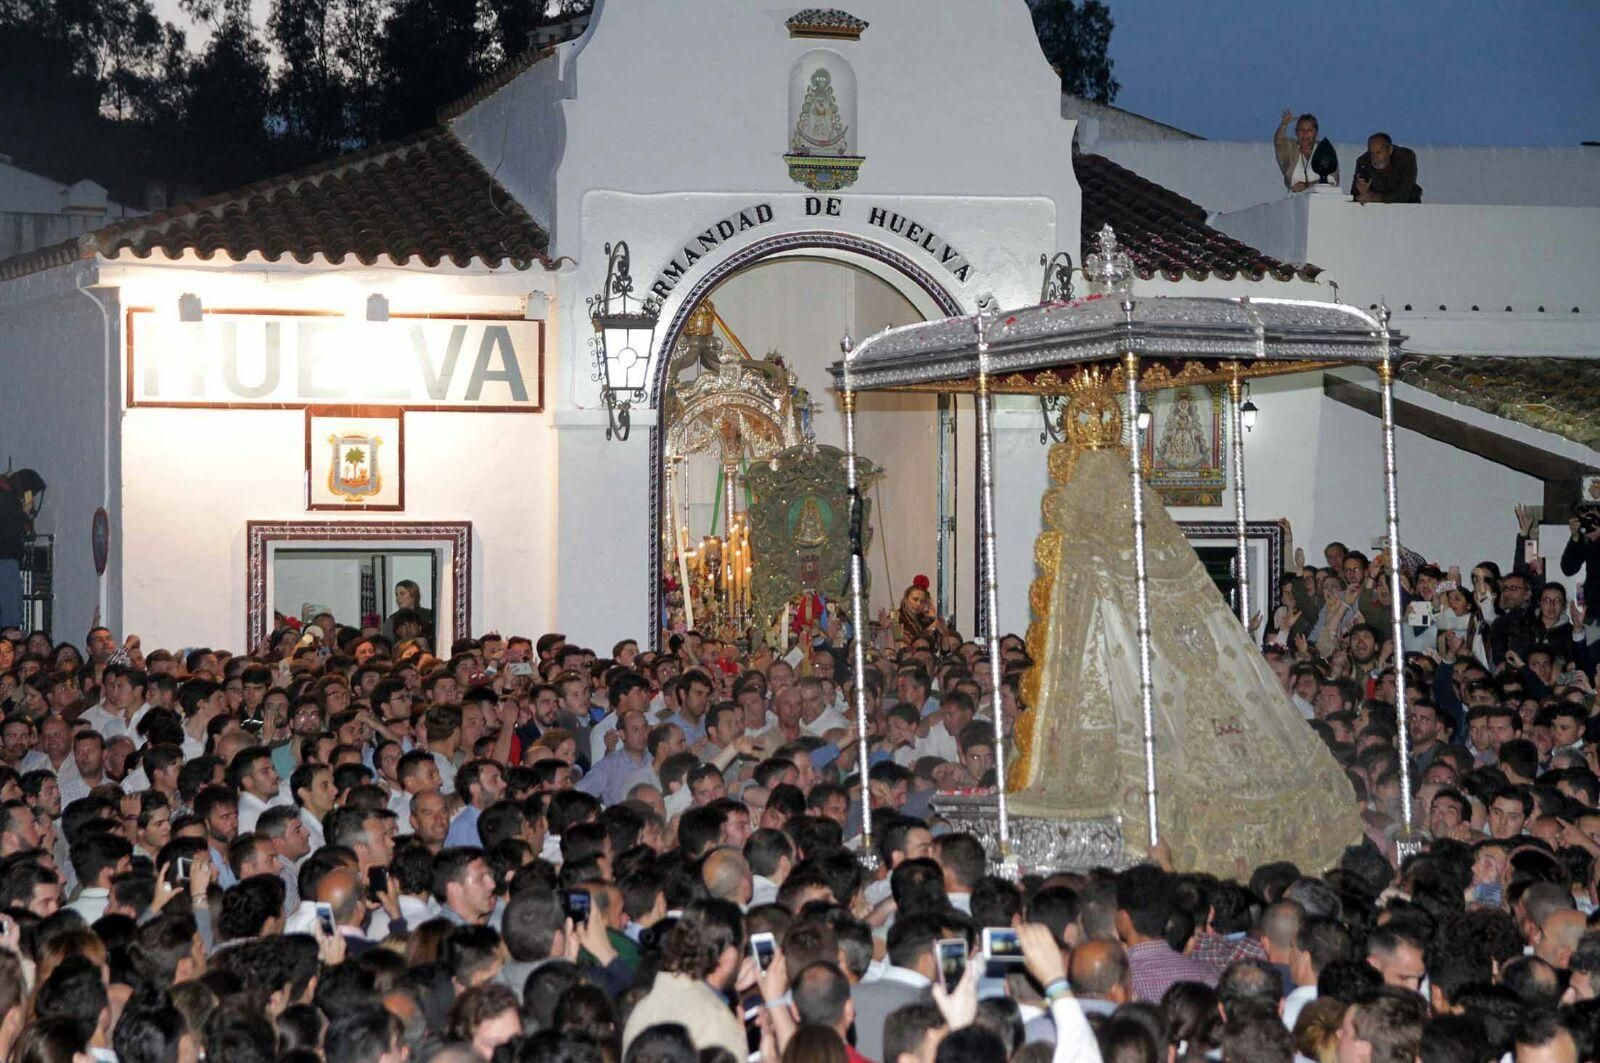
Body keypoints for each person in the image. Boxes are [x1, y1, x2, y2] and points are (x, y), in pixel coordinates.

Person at [1352, 133, 1421, 203]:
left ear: (1390, 150)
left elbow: (1404, 193)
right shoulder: (1363, 162)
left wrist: (1375, 198)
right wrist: (1362, 192)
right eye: (1371, 153)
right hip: (1375, 207)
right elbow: (1355, 194)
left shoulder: (1405, 157)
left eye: (1378, 152)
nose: (1375, 158)